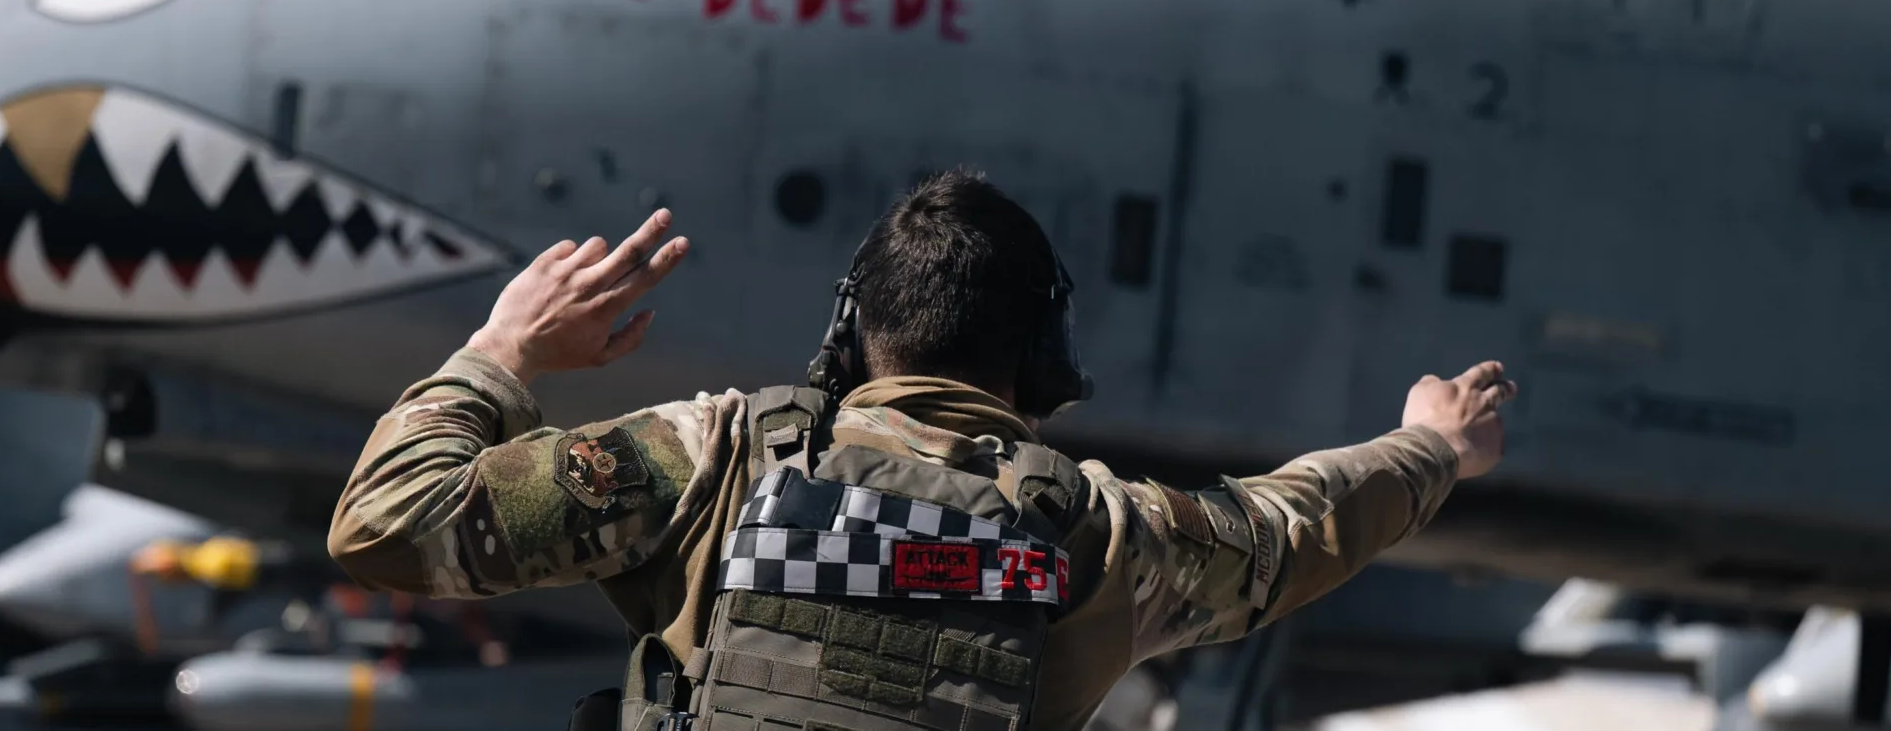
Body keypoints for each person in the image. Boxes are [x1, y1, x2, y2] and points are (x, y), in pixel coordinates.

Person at [328, 171, 1513, 731]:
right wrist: (1427, 447)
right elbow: (1285, 531)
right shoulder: (1097, 536)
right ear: (1039, 358)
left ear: (851, 333)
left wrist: (503, 351)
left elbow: (386, 524)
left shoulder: (716, 456)